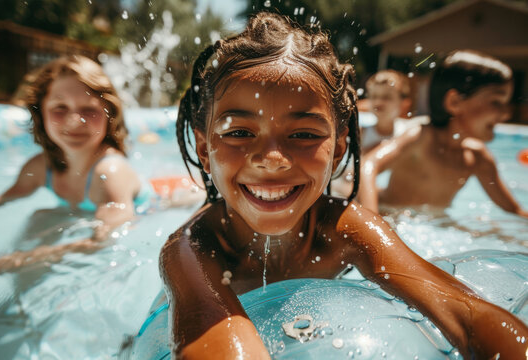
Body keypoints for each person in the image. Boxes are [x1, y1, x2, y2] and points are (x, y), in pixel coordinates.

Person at [160, 13, 527, 360]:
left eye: (303, 134)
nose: (271, 158)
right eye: (239, 132)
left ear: (337, 151)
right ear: (205, 150)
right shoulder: (192, 249)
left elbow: (462, 311)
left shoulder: (347, 230)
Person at [0, 55, 152, 273]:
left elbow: (102, 242)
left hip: (151, 208)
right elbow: (3, 199)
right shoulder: (40, 168)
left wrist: (7, 262)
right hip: (85, 212)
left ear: (108, 114)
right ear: (40, 112)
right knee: (39, 216)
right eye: (60, 108)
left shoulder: (110, 173)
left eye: (89, 110)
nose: (75, 121)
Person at [358, 49, 528, 218]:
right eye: (496, 102)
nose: (506, 113)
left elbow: (515, 212)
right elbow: (367, 166)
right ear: (454, 102)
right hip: (388, 212)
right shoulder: (421, 137)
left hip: (430, 223)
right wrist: (372, 222)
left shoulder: (478, 158)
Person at [360, 70, 414, 153]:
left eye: (387, 97)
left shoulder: (408, 132)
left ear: (403, 103)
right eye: (374, 96)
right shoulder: (360, 133)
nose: (379, 102)